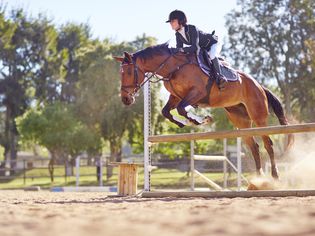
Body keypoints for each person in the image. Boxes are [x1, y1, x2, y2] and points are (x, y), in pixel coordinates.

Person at [166, 10, 227, 89]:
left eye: (173, 21)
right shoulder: (178, 34)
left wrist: (180, 50)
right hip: (203, 48)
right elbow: (179, 50)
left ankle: (220, 77)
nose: (171, 23)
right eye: (170, 22)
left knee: (211, 55)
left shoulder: (192, 28)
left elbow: (195, 48)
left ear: (180, 21)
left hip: (213, 43)